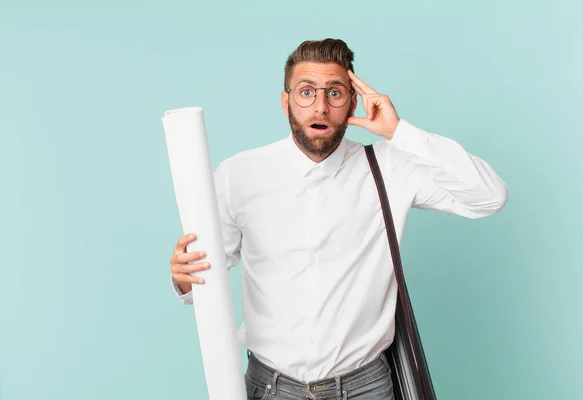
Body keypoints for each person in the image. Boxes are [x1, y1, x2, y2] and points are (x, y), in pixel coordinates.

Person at [169, 38, 508, 400]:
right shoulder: (238, 174)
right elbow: (205, 275)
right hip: (269, 388)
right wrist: (184, 279)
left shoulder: (389, 168)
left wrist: (399, 132)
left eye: (334, 93)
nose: (320, 106)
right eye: (306, 92)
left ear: (352, 102)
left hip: (366, 388)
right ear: (285, 102)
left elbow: (489, 197)